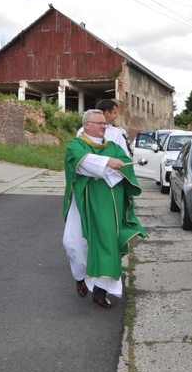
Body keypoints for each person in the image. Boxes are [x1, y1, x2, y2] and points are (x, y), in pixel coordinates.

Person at [63, 109, 147, 308]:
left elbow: (126, 166)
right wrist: (107, 163)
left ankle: (100, 291)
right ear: (86, 125)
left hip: (107, 204)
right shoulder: (76, 144)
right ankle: (80, 277)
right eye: (99, 123)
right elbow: (81, 161)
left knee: (105, 244)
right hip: (82, 203)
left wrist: (113, 167)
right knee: (73, 244)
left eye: (105, 124)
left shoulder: (115, 147)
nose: (103, 127)